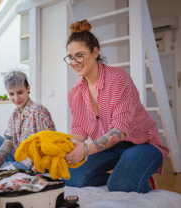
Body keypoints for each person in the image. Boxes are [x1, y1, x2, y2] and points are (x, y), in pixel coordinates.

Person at [63, 20, 169, 193]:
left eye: (80, 55)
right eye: (70, 57)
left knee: (120, 185)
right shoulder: (74, 93)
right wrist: (55, 146)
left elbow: (119, 130)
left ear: (95, 52)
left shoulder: (118, 78)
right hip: (109, 148)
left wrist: (86, 149)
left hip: (141, 144)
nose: (74, 62)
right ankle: (120, 178)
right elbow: (79, 131)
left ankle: (127, 179)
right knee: (70, 176)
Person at [0, 70, 56, 174]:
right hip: (18, 157)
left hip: (30, 164)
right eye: (11, 94)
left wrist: (32, 172)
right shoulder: (15, 114)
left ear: (28, 88)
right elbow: (7, 143)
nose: (16, 98)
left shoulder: (38, 110)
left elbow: (48, 146)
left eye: (20, 92)